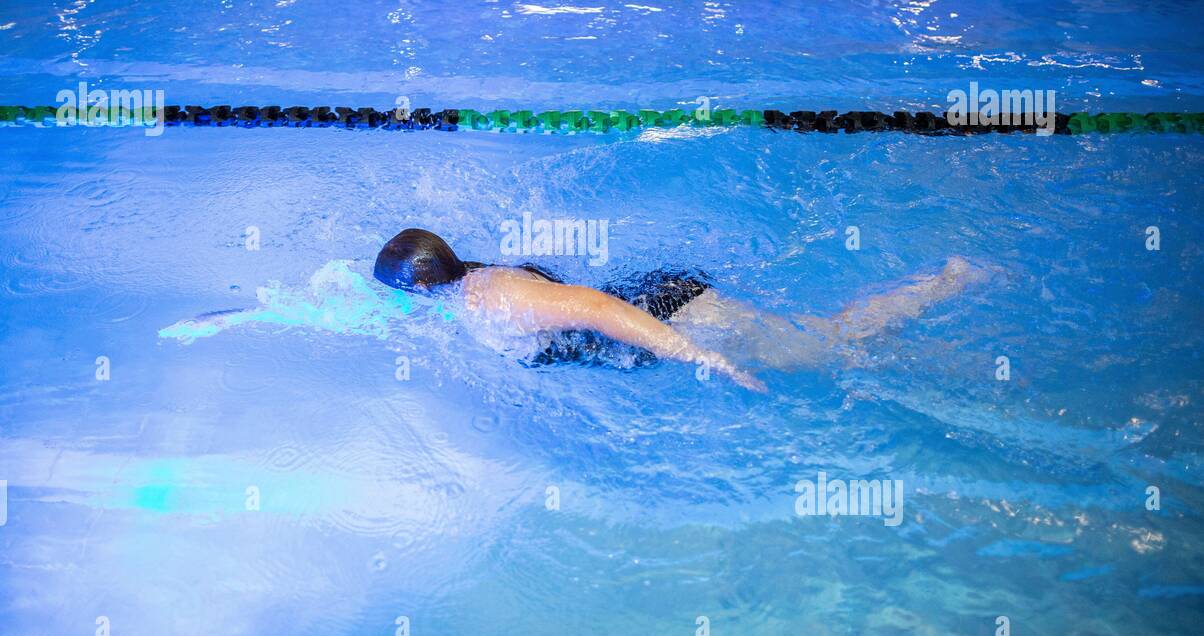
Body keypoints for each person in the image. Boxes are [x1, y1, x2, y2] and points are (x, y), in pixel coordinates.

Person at [373, 228, 983, 393]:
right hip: (660, 303)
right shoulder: (464, 278)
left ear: (422, 288)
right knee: (825, 349)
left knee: (828, 346)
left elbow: (595, 308)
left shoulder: (494, 300)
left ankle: (948, 284)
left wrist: (703, 358)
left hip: (677, 318)